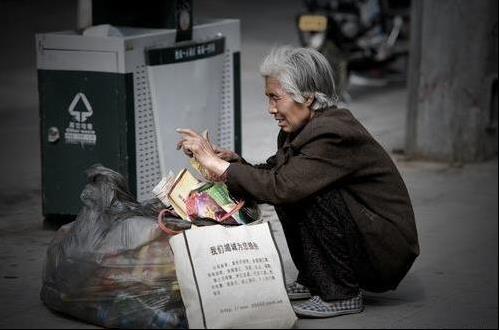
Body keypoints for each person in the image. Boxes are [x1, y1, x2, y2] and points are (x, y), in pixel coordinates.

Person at [176, 46, 419, 318]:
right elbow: (272, 177)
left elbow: (282, 187)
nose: (271, 109)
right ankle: (315, 279)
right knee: (290, 184)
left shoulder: (333, 133)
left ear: (310, 99)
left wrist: (217, 165)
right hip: (365, 235)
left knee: (302, 191)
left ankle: (341, 293)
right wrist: (231, 163)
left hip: (383, 252)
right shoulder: (301, 130)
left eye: (275, 98)